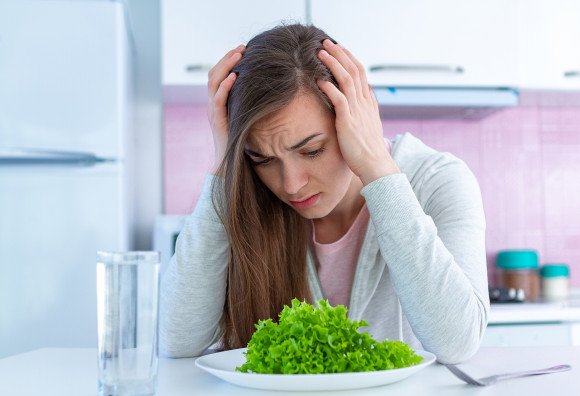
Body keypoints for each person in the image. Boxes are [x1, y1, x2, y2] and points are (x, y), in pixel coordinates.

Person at [159, 23, 489, 364]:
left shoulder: (438, 180)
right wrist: (226, 166)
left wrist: (377, 167)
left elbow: (457, 343)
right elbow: (177, 340)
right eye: (263, 159)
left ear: (356, 119)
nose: (290, 185)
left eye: (312, 150)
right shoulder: (251, 194)